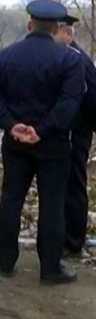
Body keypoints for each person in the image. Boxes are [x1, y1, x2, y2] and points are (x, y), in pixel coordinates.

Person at [0, 0, 85, 285]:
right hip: (52, 143)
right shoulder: (69, 61)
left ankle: (5, 259)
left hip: (15, 141)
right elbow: (69, 104)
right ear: (56, 28)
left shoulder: (3, 58)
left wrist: (12, 125)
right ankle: (50, 268)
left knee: (11, 197)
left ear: (29, 24)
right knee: (52, 203)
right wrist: (42, 129)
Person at [53, 16, 96, 258]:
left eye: (57, 33)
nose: (53, 38)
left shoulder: (79, 61)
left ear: (68, 35)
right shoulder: (66, 57)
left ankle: (72, 240)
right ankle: (64, 235)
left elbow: (91, 99)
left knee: (73, 183)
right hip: (66, 131)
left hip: (76, 132)